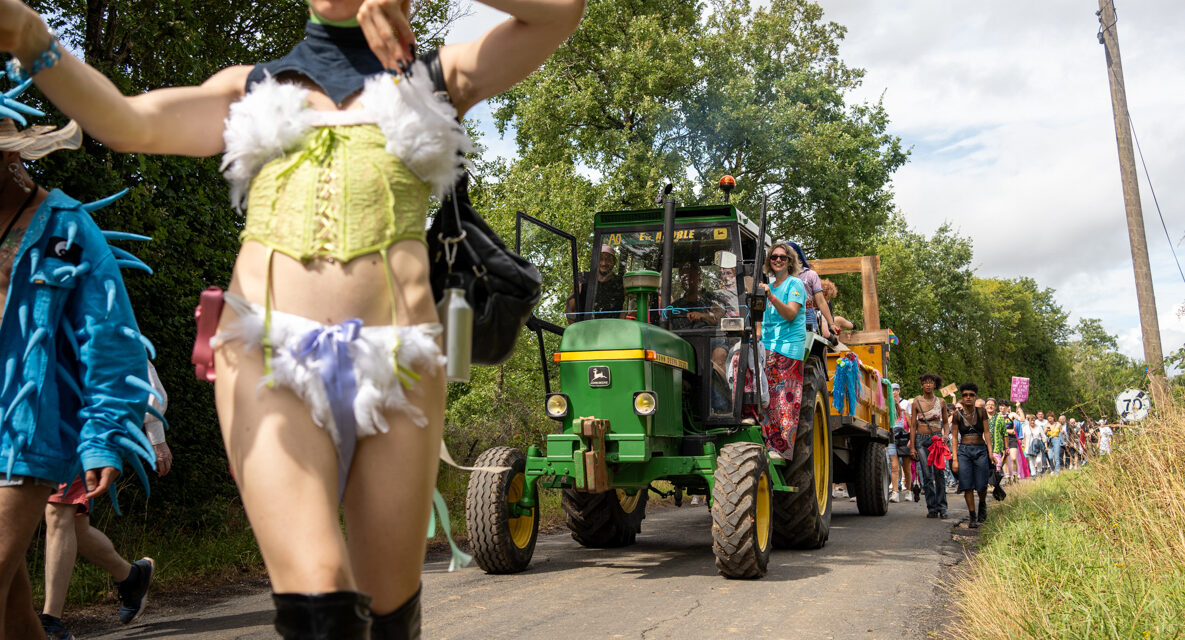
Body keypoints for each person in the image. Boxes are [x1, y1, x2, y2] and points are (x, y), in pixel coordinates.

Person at [1, 0, 586, 637]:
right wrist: (32, 36)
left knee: (390, 614)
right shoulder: (248, 90)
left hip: (401, 367)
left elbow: (558, 13)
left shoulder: (439, 79)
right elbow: (125, 121)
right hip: (264, 358)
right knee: (321, 610)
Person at [0, 103, 155, 639]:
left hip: (26, 434)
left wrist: (104, 437)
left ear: (11, 154)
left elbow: (110, 341)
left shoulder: (65, 228)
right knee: (12, 613)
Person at [39, 362, 170, 639]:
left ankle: (50, 624)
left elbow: (142, 376)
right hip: (31, 430)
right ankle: (132, 577)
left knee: (58, 513)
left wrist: (156, 436)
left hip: (80, 430)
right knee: (75, 529)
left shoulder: (93, 317)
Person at [756, 242, 807, 461]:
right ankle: (767, 444)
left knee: (783, 401)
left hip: (788, 349)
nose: (778, 260)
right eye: (774, 257)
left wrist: (771, 297)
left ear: (789, 262)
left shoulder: (795, 284)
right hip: (767, 347)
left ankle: (782, 449)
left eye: (782, 257)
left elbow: (790, 314)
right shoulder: (767, 287)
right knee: (765, 399)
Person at [950, 383, 993, 528]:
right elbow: (955, 438)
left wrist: (991, 452)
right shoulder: (957, 415)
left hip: (981, 450)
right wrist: (955, 459)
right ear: (961, 398)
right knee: (967, 485)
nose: (968, 397)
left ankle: (982, 504)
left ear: (975, 397)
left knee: (981, 485)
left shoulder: (981, 412)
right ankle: (972, 516)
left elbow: (987, 432)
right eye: (965, 395)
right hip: (964, 451)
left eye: (971, 395)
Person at [909, 372, 950, 518]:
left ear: (935, 385)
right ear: (921, 385)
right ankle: (932, 508)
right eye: (925, 382)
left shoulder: (942, 402)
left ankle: (942, 508)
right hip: (921, 440)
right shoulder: (916, 402)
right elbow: (913, 425)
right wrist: (912, 446)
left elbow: (945, 422)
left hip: (937, 439)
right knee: (926, 475)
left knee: (939, 473)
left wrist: (945, 435)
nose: (928, 384)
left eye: (931, 382)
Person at [785, 241, 836, 339]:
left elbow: (821, 301)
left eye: (789, 253)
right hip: (787, 314)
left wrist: (832, 323)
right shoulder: (781, 275)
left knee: (807, 346)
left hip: (806, 314)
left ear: (797, 254)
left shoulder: (810, 274)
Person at [565, 243, 624, 322]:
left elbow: (639, 301)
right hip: (587, 330)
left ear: (614, 262)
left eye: (608, 260)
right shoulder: (583, 280)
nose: (604, 263)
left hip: (612, 331)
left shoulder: (620, 283)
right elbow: (570, 310)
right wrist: (578, 332)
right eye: (600, 259)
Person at [669, 262, 724, 329]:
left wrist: (702, 316)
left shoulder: (712, 299)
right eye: (683, 277)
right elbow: (666, 332)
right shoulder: (675, 306)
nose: (686, 280)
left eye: (690, 276)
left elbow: (718, 317)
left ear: (699, 278)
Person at [888, 383, 913, 503]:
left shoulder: (905, 407)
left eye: (895, 390)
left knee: (907, 468)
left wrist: (911, 440)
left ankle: (909, 491)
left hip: (904, 439)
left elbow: (911, 425)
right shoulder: (887, 410)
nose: (893, 392)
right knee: (894, 467)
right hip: (892, 439)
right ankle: (895, 492)